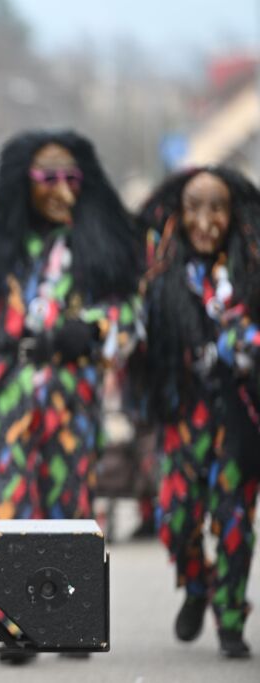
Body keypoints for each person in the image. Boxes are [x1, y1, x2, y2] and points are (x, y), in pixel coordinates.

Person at [0, 130, 142, 521]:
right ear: (23, 184)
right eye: (48, 179)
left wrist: (94, 329)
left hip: (74, 400)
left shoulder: (100, 250)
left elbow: (129, 312)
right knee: (7, 515)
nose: (61, 190)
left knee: (71, 521)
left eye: (71, 178)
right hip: (11, 401)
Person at [139, 166, 260, 658]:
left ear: (234, 215)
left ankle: (231, 620)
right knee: (175, 518)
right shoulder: (162, 276)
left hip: (239, 418)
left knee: (234, 519)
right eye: (194, 207)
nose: (206, 219)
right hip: (184, 417)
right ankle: (196, 584)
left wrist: (243, 341)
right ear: (178, 214)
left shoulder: (252, 270)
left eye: (217, 207)